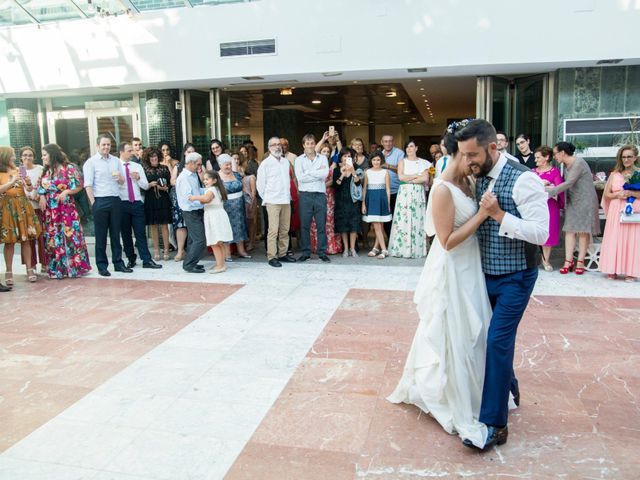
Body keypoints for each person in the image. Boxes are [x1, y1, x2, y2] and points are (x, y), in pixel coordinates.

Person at [387, 126, 493, 448]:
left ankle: (477, 391)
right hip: (452, 268)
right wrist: (483, 216)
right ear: (456, 153)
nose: (475, 161)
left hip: (471, 267)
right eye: (470, 155)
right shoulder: (443, 189)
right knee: (451, 329)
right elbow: (445, 241)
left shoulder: (470, 181)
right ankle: (448, 394)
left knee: (474, 329)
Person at [458, 119, 549, 449]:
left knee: (497, 341)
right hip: (485, 274)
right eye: (464, 155)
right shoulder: (480, 176)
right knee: (486, 338)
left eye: (472, 155)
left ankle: (495, 424)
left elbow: (542, 232)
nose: (468, 161)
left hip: (517, 276)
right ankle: (507, 382)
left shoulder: (524, 180)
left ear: (493, 148)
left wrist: (498, 215)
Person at [37, 143, 91, 279]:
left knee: (70, 236)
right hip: (50, 210)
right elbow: (40, 186)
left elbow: (79, 185)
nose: (42, 158)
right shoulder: (46, 171)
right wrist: (42, 196)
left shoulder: (69, 168)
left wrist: (67, 191)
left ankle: (74, 267)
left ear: (52, 154)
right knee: (54, 238)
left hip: (66, 207)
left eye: (44, 155)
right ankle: (58, 269)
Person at [547, 142, 600, 275]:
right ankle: (568, 261)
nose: (554, 157)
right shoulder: (566, 166)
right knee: (569, 230)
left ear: (562, 153)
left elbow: (569, 182)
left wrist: (549, 192)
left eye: (555, 154)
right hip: (573, 201)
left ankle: (580, 261)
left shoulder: (579, 163)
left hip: (586, 201)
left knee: (583, 231)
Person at [83, 134, 130, 277]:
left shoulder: (116, 161)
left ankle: (118, 263)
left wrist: (120, 178)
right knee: (101, 235)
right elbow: (88, 184)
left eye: (108, 145)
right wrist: (93, 203)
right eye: (103, 144)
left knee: (116, 234)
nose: (106, 147)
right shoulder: (91, 162)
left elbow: (122, 181)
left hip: (115, 199)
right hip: (100, 200)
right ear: (98, 146)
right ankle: (102, 265)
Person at [0, 146, 41, 286]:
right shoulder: (1, 172)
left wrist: (28, 184)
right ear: (5, 156)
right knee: (9, 241)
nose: (14, 157)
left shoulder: (21, 169)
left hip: (23, 206)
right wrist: (11, 182)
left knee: (26, 239)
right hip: (8, 207)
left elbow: (29, 188)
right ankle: (9, 271)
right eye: (11, 154)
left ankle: (30, 269)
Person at [118, 142, 162, 270]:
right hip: (122, 203)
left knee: (140, 233)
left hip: (136, 202)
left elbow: (145, 185)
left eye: (132, 150)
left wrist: (137, 179)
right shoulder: (115, 167)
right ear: (121, 152)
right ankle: (131, 259)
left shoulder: (137, 166)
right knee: (126, 234)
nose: (132, 152)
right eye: (129, 150)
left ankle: (146, 260)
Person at [599, 145, 640, 282]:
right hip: (617, 210)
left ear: (635, 157)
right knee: (615, 238)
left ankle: (632, 272)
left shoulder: (639, 173)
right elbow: (606, 195)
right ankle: (612, 269)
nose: (626, 159)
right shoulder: (614, 174)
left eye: (629, 156)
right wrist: (618, 196)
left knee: (633, 240)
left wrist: (631, 193)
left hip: (633, 210)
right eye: (623, 157)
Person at [388, 140, 431, 258]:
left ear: (416, 148)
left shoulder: (424, 163)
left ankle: (417, 248)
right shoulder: (402, 162)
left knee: (418, 218)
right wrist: (417, 175)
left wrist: (410, 179)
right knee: (404, 217)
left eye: (411, 146)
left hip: (418, 193)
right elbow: (401, 176)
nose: (409, 149)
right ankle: (402, 248)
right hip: (404, 193)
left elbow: (425, 179)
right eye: (407, 147)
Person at [257, 137, 293, 267]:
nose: (278, 147)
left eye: (279, 144)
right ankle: (272, 256)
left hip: (285, 200)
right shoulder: (265, 164)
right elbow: (260, 185)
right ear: (269, 147)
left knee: (285, 229)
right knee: (273, 230)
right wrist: (267, 198)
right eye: (274, 145)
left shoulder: (285, 162)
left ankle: (283, 254)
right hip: (272, 201)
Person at [189, 170, 233, 273]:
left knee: (215, 242)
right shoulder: (217, 189)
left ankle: (220, 265)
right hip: (218, 215)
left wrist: (194, 197)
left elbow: (206, 199)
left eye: (207, 179)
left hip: (214, 217)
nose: (205, 181)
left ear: (214, 180)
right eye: (204, 179)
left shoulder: (211, 190)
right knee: (219, 242)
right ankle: (221, 264)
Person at [295, 134, 329, 263]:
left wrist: (308, 172)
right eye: (307, 143)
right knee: (305, 226)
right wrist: (316, 173)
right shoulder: (299, 160)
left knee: (321, 225)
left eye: (312, 143)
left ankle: (322, 252)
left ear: (315, 144)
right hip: (305, 196)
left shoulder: (323, 158)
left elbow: (324, 174)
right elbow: (300, 178)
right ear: (303, 145)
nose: (310, 145)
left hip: (320, 195)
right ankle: (306, 252)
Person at [532, 146, 564, 271]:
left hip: (550, 205)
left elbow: (559, 189)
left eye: (538, 157)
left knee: (548, 232)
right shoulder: (532, 172)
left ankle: (546, 260)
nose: (536, 160)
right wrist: (541, 184)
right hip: (535, 206)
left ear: (546, 157)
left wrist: (560, 203)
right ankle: (534, 259)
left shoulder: (555, 172)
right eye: (535, 157)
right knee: (533, 231)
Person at [175, 152, 206, 273]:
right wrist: (204, 201)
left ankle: (191, 262)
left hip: (196, 210)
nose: (200, 167)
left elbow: (197, 191)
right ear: (190, 163)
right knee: (200, 239)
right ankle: (189, 264)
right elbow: (188, 197)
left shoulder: (193, 175)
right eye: (198, 164)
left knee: (194, 240)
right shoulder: (184, 178)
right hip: (190, 211)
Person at [310, 144, 342, 255]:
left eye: (328, 151)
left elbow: (333, 181)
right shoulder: (315, 164)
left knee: (329, 220)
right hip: (317, 195)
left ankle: (331, 247)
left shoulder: (332, 165)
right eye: (324, 151)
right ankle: (317, 246)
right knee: (316, 220)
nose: (326, 153)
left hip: (329, 195)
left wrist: (320, 184)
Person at [218, 154, 251, 260]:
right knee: (227, 229)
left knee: (240, 227)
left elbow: (242, 187)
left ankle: (241, 251)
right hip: (226, 207)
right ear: (220, 165)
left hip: (239, 206)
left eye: (229, 164)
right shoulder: (217, 177)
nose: (228, 166)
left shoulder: (236, 174)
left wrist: (249, 195)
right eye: (225, 165)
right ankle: (227, 254)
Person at [141, 147, 172, 261]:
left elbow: (169, 185)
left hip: (163, 199)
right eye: (151, 157)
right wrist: (150, 185)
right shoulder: (144, 170)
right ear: (148, 158)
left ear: (158, 157)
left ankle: (166, 250)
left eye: (155, 156)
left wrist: (162, 187)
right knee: (153, 226)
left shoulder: (164, 168)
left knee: (164, 225)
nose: (153, 158)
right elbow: (142, 186)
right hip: (150, 200)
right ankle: (156, 251)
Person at [362, 150, 392, 259]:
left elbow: (388, 189)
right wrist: (363, 204)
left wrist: (388, 203)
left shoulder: (385, 172)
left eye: (378, 160)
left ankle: (376, 248)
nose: (376, 162)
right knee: (376, 225)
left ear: (381, 161)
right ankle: (384, 249)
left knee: (380, 225)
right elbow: (364, 189)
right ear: (371, 161)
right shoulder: (367, 172)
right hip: (371, 199)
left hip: (382, 198)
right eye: (374, 160)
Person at [333, 147, 362, 257]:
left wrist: (353, 172)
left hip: (353, 201)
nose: (347, 158)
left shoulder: (357, 169)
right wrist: (342, 173)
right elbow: (336, 186)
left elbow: (358, 184)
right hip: (341, 201)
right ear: (341, 158)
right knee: (343, 226)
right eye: (345, 156)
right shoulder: (336, 170)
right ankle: (345, 249)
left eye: (349, 156)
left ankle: (353, 249)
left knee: (353, 226)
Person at [20, 146, 46, 271]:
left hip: (39, 207)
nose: (27, 157)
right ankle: (31, 264)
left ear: (34, 157)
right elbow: (21, 188)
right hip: (25, 209)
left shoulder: (40, 169)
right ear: (21, 157)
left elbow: (44, 185)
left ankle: (45, 263)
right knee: (29, 237)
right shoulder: (20, 171)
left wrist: (39, 196)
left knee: (42, 236)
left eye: (30, 155)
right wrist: (27, 195)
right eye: (25, 155)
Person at [169, 143, 195, 262]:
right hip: (180, 200)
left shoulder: (198, 166)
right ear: (184, 153)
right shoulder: (178, 166)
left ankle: (192, 251)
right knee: (180, 225)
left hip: (194, 200)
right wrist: (183, 181)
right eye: (188, 152)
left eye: (192, 152)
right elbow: (172, 181)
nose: (190, 154)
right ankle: (180, 251)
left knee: (193, 225)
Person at [380, 134, 404, 237]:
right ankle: (390, 240)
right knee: (385, 218)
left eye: (390, 141)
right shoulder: (379, 154)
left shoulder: (399, 153)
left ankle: (397, 240)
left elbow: (402, 169)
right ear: (382, 143)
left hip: (396, 190)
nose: (388, 143)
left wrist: (387, 166)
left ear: (393, 142)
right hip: (382, 190)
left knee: (397, 217)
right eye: (385, 141)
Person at [238, 154, 258, 251]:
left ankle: (251, 242)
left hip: (249, 201)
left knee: (251, 222)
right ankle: (245, 242)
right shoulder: (235, 177)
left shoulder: (251, 177)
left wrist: (252, 203)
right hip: (240, 201)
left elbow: (253, 193)